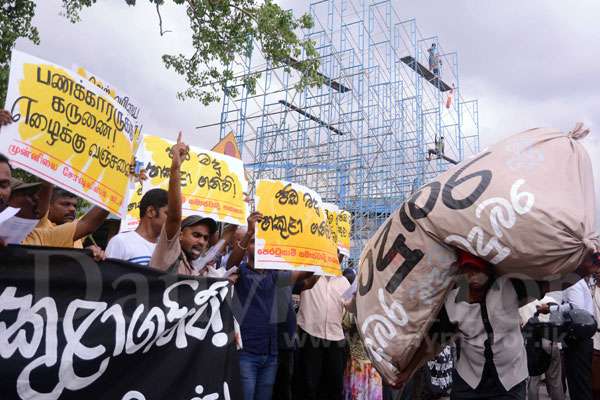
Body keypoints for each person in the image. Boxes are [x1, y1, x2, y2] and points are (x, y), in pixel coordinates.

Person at [226, 210, 314, 400]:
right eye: (253, 242)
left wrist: (317, 248)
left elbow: (305, 275)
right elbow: (230, 265)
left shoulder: (275, 276)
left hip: (271, 354)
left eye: (261, 242)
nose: (257, 246)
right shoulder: (240, 273)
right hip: (247, 353)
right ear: (246, 248)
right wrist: (249, 231)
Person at [147, 132, 223, 276]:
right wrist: (175, 168)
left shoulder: (193, 269)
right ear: (180, 236)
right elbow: (175, 217)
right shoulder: (169, 253)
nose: (202, 241)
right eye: (196, 235)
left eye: (206, 238)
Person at [537, 251, 600, 400]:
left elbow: (576, 309)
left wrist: (550, 308)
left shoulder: (574, 283)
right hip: (581, 339)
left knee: (579, 387)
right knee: (580, 384)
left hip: (578, 340)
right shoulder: (577, 283)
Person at [296, 251, 352, 400]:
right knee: (308, 384)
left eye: (340, 254)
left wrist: (358, 295)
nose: (336, 257)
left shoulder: (343, 281)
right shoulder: (308, 275)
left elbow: (351, 307)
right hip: (310, 333)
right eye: (334, 253)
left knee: (334, 385)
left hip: (336, 337)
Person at [518, 296, 565, 400]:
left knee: (533, 380)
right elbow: (559, 323)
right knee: (555, 381)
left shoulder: (522, 304)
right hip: (551, 343)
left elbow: (520, 325)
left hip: (532, 343)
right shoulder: (551, 300)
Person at [106, 188, 169, 265]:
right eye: (167, 213)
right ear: (150, 211)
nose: (172, 220)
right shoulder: (120, 242)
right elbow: (109, 275)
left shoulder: (168, 248)